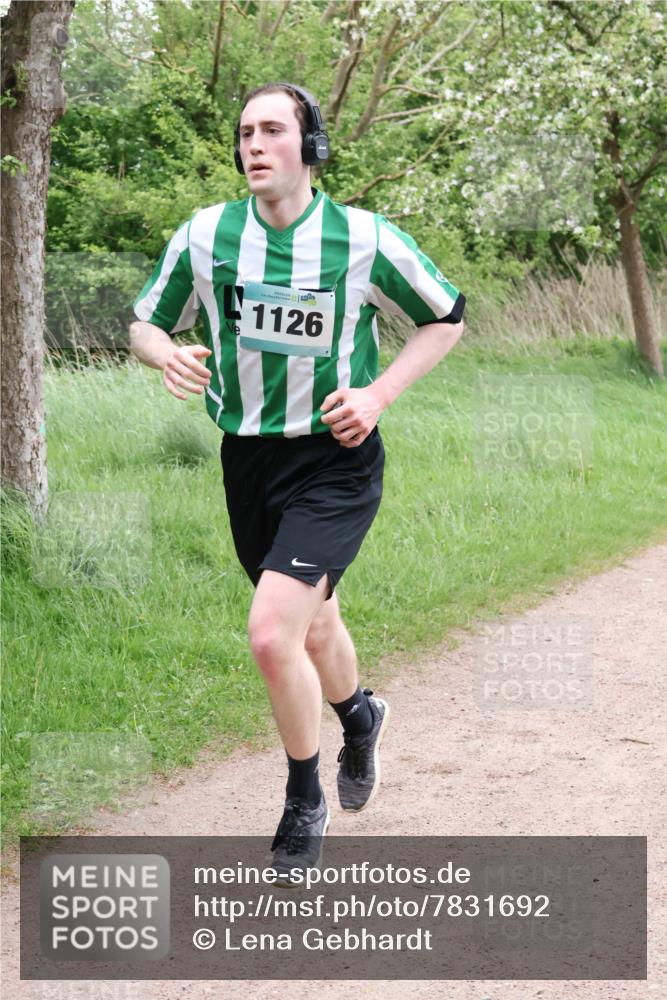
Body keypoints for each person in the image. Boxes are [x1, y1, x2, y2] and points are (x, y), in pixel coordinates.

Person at [130, 82, 465, 879]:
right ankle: (359, 714)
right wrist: (164, 353)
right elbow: (146, 318)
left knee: (269, 632)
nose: (253, 144)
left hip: (334, 459)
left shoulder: (360, 238)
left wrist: (378, 394)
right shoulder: (207, 235)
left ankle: (301, 797)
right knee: (312, 627)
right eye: (244, 131)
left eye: (272, 130)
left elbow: (445, 316)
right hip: (247, 459)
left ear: (308, 145)